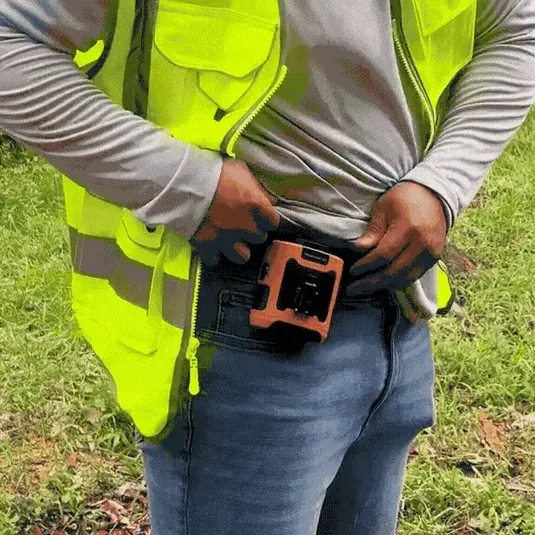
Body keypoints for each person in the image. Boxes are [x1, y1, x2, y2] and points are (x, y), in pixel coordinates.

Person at [1, 1, 534, 534]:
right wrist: (184, 184)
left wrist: (443, 183)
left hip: (399, 311)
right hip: (241, 322)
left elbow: (518, 27)